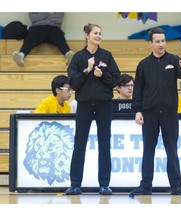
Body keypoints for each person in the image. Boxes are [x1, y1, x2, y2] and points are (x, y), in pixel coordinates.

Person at [130, 27, 181, 196]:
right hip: (149, 113)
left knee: (171, 149)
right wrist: (138, 111)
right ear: (150, 43)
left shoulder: (174, 59)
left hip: (170, 112)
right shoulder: (143, 64)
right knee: (148, 150)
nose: (161, 44)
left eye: (163, 41)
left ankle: (176, 186)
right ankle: (145, 186)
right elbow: (138, 90)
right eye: (157, 41)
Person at [65, 23, 120, 195]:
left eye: (100, 33)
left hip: (104, 105)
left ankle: (104, 184)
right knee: (79, 144)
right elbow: (73, 83)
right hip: (84, 105)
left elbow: (116, 80)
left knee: (105, 144)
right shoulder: (78, 57)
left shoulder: (107, 55)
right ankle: (75, 185)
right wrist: (87, 70)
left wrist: (102, 74)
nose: (98, 36)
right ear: (86, 35)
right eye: (95, 33)